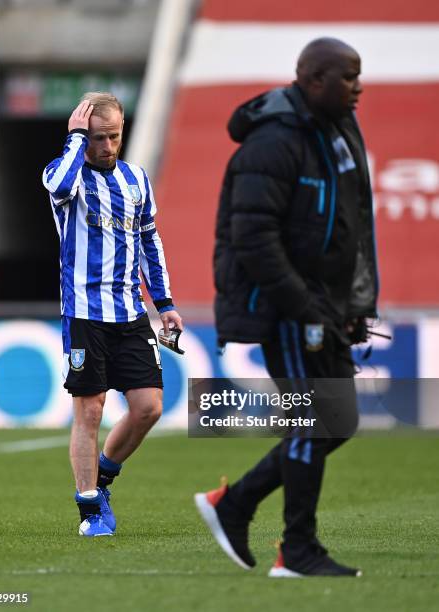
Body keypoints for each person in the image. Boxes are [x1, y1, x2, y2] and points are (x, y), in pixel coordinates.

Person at [195, 38, 378, 576]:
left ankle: (235, 503)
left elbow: (349, 227)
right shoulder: (272, 143)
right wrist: (305, 306)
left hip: (324, 306)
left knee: (335, 421)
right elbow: (253, 238)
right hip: (287, 310)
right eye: (349, 77)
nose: (359, 87)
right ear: (313, 80)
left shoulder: (336, 133)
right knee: (316, 419)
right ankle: (296, 551)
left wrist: (350, 302)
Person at [42, 92, 182, 537]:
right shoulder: (67, 174)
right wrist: (73, 140)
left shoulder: (136, 179)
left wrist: (165, 304)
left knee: (148, 407)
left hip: (128, 312)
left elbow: (149, 243)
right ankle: (89, 512)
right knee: (90, 410)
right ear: (83, 136)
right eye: (97, 138)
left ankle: (103, 478)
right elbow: (58, 187)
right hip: (84, 312)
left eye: (114, 136)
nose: (106, 146)